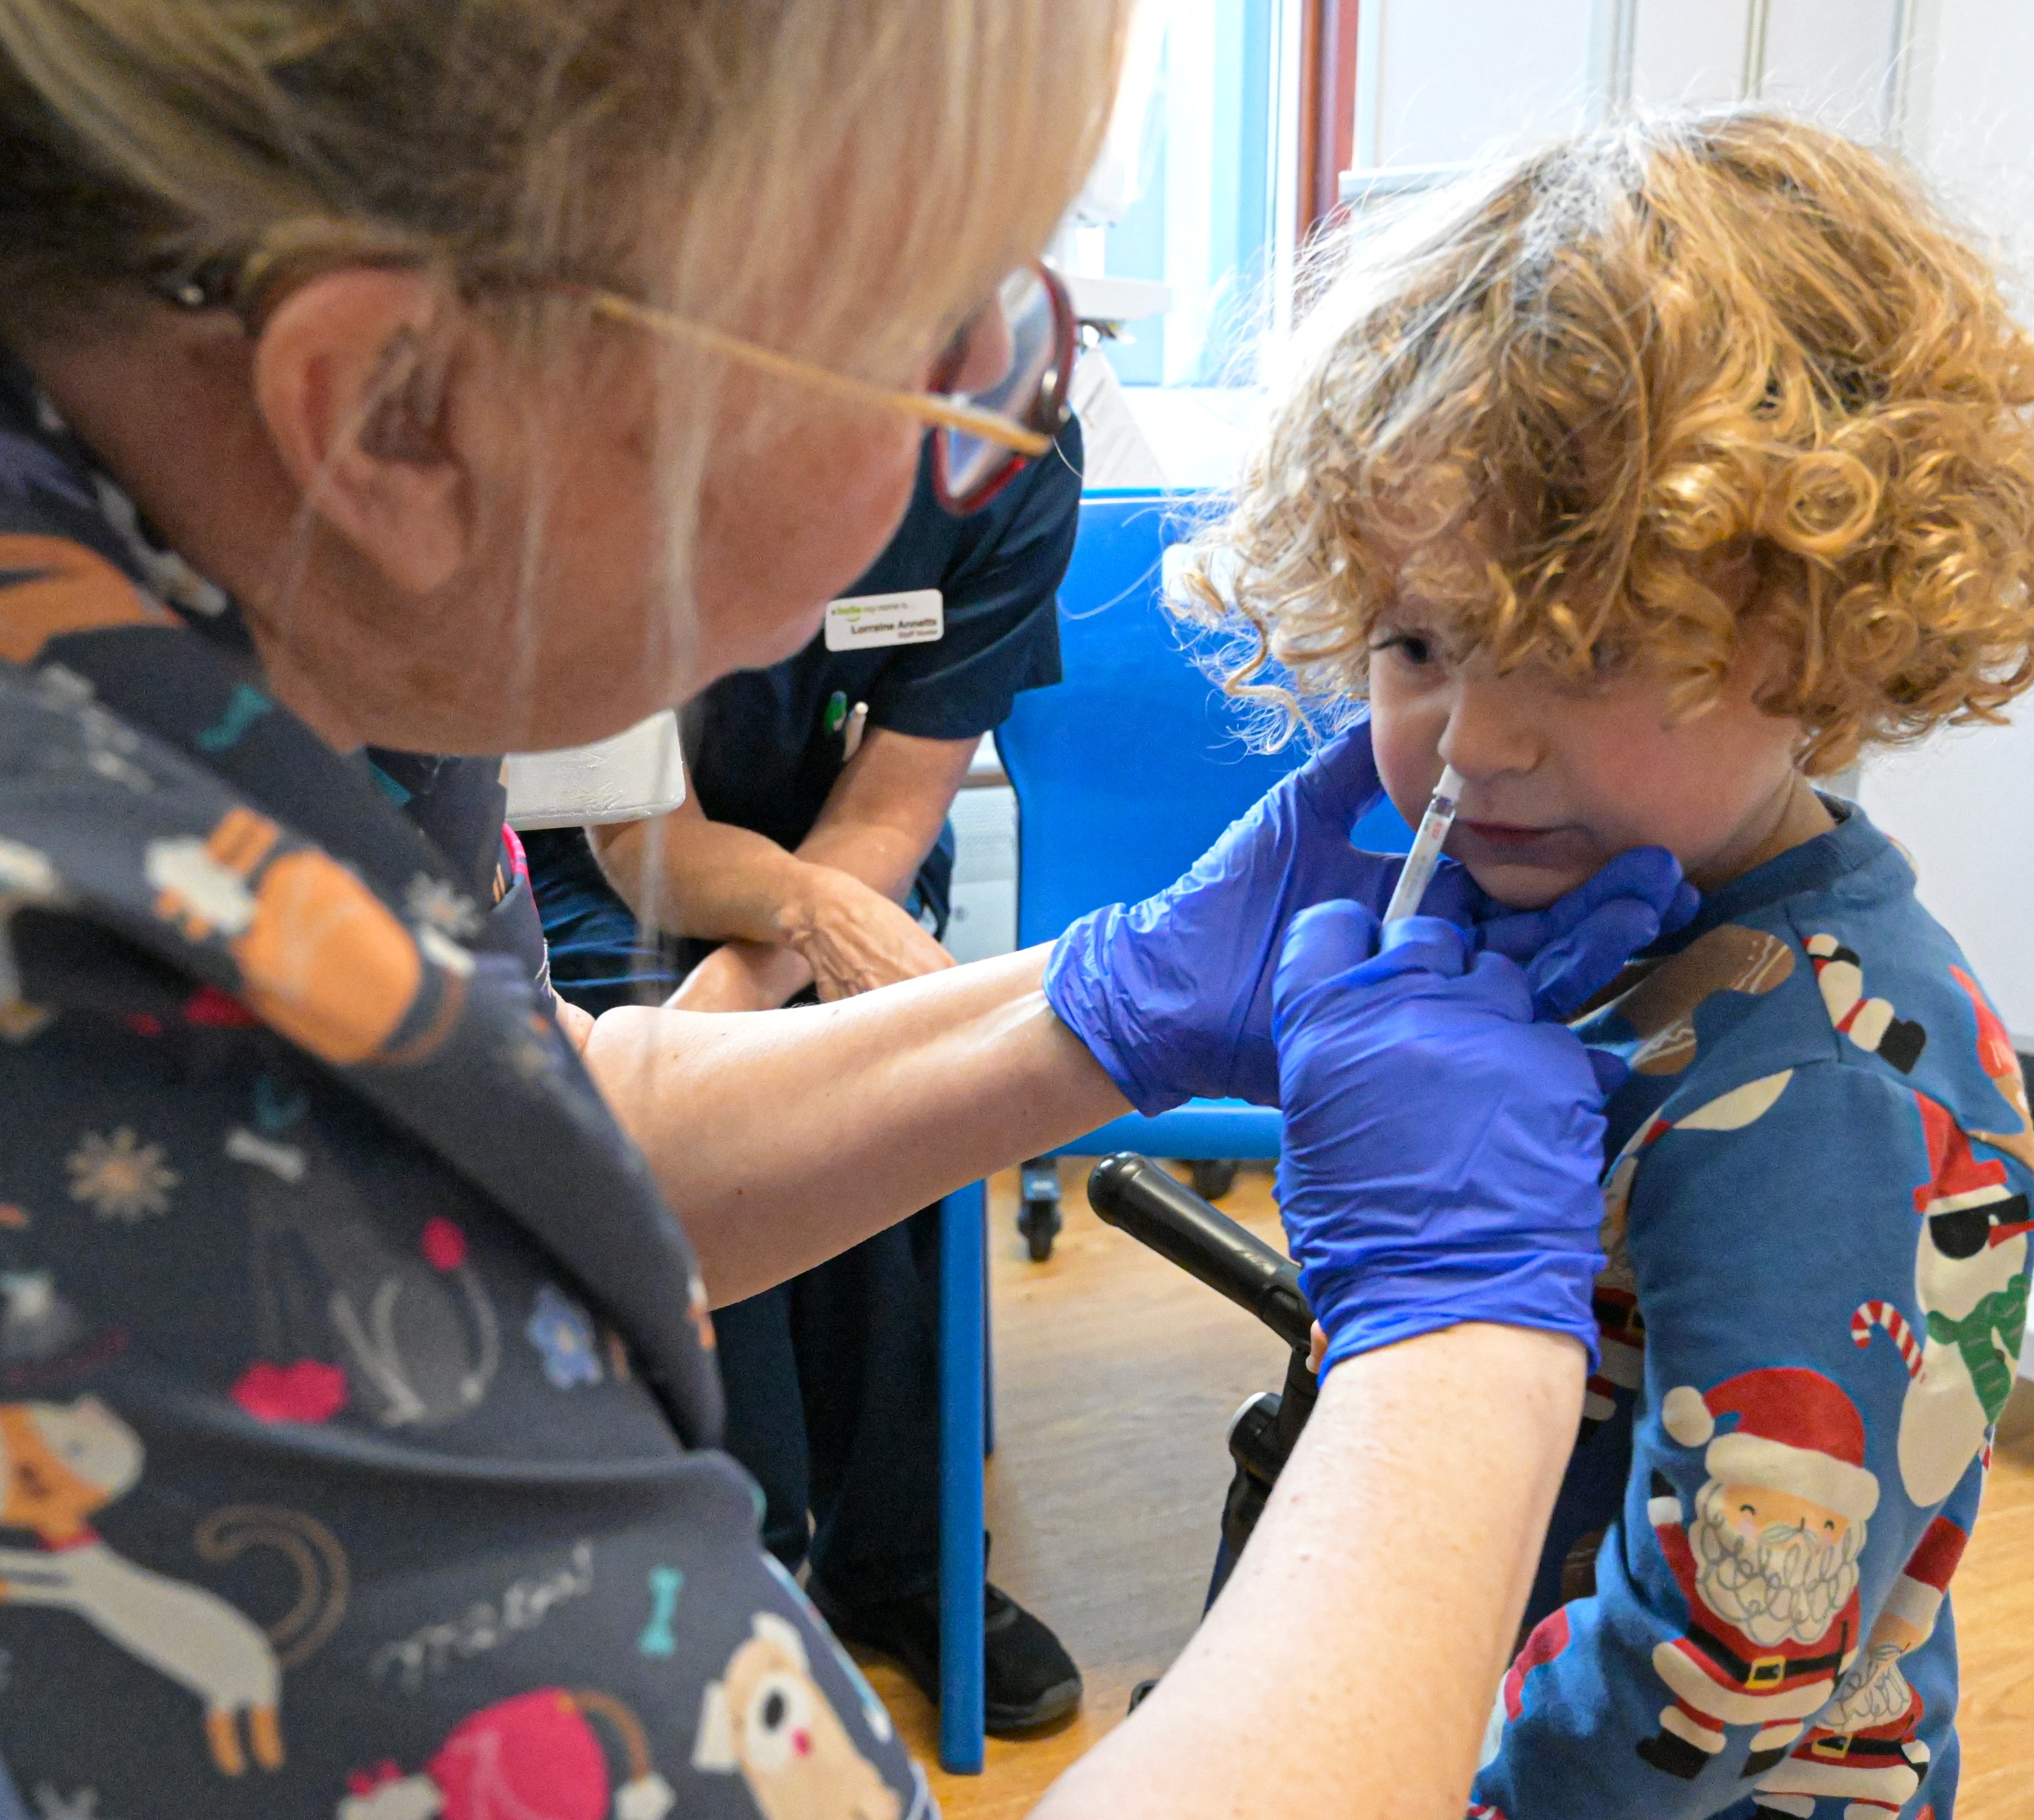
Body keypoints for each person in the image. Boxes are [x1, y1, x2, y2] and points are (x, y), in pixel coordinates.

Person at [0, 5, 1698, 1817]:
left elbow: (536, 1124)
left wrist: (1106, 993)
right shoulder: (102, 1018)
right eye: (939, 340)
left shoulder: (263, 619)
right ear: (400, 415)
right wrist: (1461, 1341)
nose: (997, 426)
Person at [1170, 112, 2034, 1819]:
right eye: (1419, 640)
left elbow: (1728, 1653)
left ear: (1825, 628)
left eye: (1589, 648)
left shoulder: (1828, 1092)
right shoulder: (1559, 907)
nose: (1476, 739)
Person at [526, 432, 1088, 1732]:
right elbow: (637, 838)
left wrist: (748, 1004)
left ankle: (902, 1564)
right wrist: (701, 1053)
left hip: (845, 856)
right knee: (726, 1116)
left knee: (899, 1075)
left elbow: (888, 816)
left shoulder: (1012, 456)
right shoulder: (632, 428)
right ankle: (744, 1557)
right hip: (612, 865)